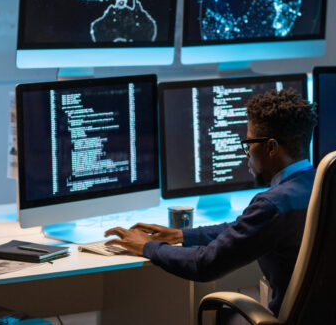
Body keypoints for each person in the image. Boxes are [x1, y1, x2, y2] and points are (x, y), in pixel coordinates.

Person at [104, 89, 318, 319]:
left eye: (249, 144)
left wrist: (147, 247)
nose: (246, 154)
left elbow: (205, 264)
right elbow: (242, 228)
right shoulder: (326, 186)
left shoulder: (273, 204)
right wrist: (181, 235)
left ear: (271, 147)